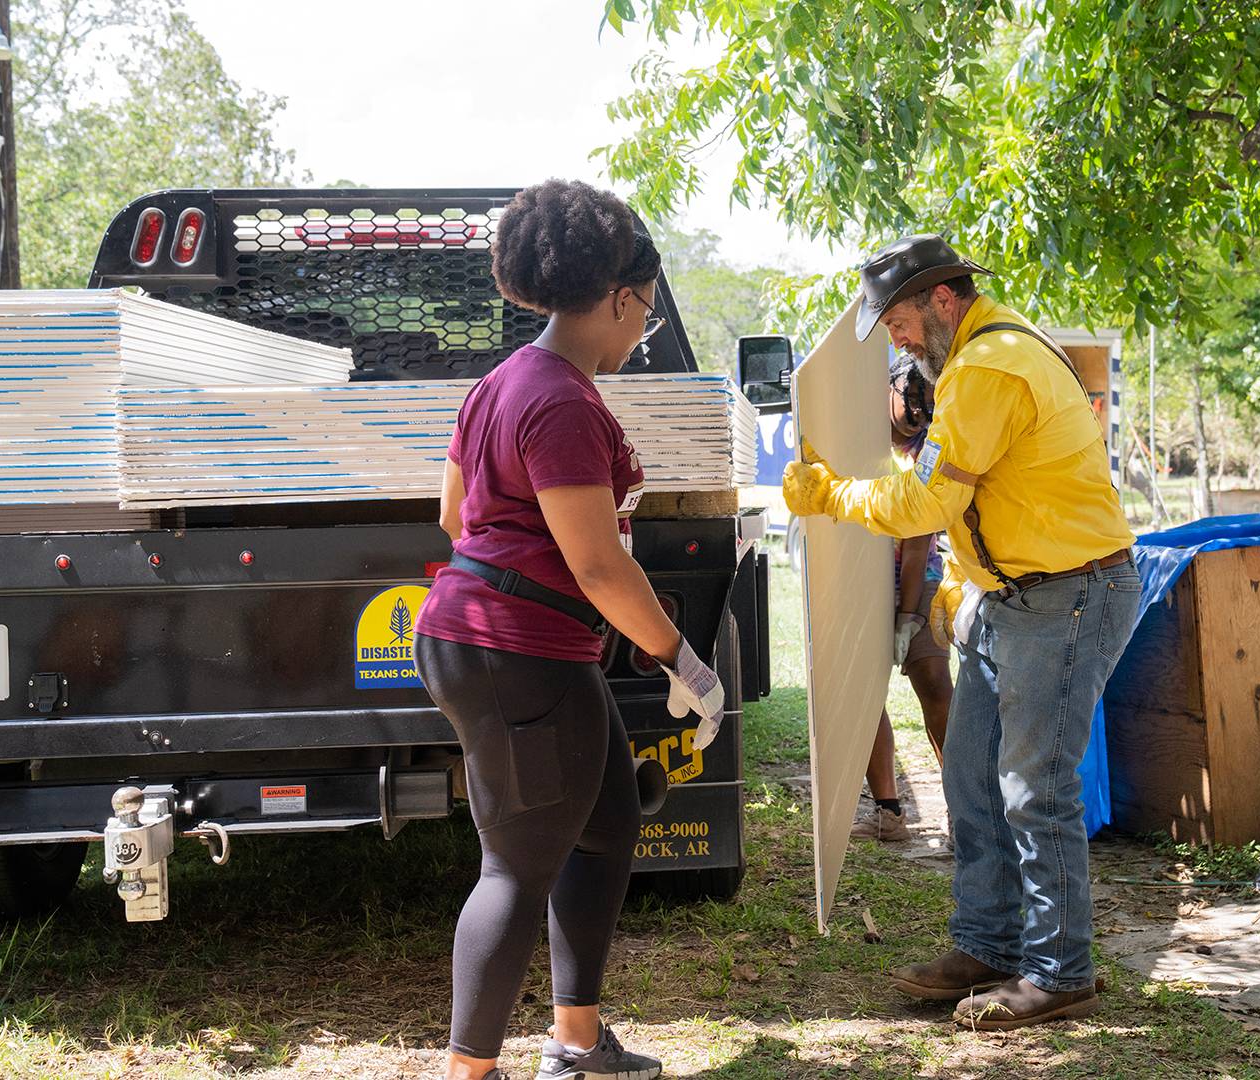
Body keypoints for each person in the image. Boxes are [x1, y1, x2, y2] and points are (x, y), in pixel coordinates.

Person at [784, 235, 1140, 1031]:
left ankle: (1059, 972)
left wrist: (831, 494)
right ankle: (986, 946)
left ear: (942, 298)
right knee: (971, 782)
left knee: (1032, 790)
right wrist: (964, 585)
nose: (897, 339)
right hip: (1015, 594)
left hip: (1067, 596)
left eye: (901, 320)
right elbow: (990, 495)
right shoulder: (983, 352)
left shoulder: (988, 365)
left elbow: (926, 504)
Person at [413, 180, 725, 1080]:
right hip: (518, 651)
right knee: (515, 866)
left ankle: (578, 1041)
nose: (646, 331)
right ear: (624, 298)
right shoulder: (562, 402)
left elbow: (453, 515)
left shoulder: (502, 384)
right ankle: (468, 1073)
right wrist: (680, 659)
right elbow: (597, 566)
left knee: (608, 816)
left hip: (497, 637)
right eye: (648, 312)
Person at [854, 359, 957, 842]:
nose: (917, 415)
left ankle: (964, 810)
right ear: (887, 388)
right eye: (910, 404)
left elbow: (917, 546)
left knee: (935, 684)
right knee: (866, 694)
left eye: (925, 408)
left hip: (920, 579)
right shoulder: (856, 440)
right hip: (863, 578)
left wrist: (908, 616)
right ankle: (889, 811)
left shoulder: (929, 451)